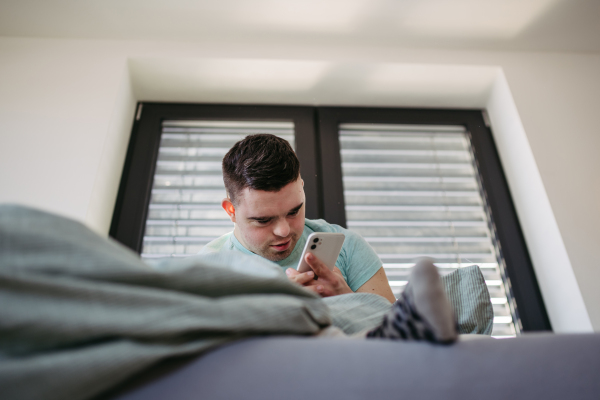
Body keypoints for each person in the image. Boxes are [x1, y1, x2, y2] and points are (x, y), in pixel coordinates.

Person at [201, 134, 457, 343]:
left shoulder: (346, 244)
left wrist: (346, 297)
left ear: (302, 187)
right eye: (263, 220)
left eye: (294, 211)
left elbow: (393, 329)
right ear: (231, 211)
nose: (284, 231)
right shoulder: (208, 267)